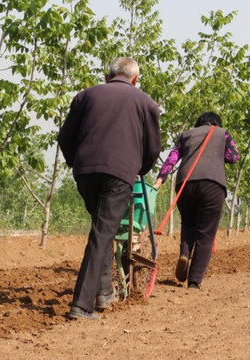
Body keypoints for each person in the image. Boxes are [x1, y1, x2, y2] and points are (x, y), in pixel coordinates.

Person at [58, 57, 161, 320]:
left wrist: (77, 162)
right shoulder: (146, 103)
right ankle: (81, 305)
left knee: (101, 229)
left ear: (107, 76)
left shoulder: (85, 96)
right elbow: (152, 149)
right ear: (135, 79)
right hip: (119, 173)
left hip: (85, 172)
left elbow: (65, 137)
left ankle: (103, 292)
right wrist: (139, 169)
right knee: (102, 233)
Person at [154, 112, 239, 290]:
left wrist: (159, 180)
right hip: (212, 184)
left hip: (185, 183)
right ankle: (194, 281)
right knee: (206, 234)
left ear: (199, 123)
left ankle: (185, 253)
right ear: (216, 123)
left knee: (188, 223)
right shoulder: (223, 133)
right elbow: (234, 157)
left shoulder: (186, 134)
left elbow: (172, 159)